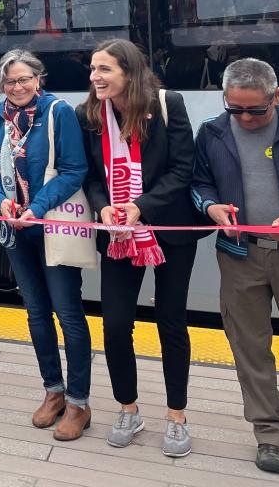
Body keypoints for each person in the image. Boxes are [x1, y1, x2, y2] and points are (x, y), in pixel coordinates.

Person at [193, 58, 279, 474]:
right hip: (240, 256)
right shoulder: (212, 132)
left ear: (277, 96)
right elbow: (199, 183)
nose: (245, 118)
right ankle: (270, 435)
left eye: (256, 109)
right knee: (251, 349)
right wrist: (212, 207)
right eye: (234, 108)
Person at [77, 39, 200, 458]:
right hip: (120, 235)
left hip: (169, 230)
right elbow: (91, 176)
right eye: (93, 69)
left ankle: (177, 416)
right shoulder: (89, 114)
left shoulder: (168, 105)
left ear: (129, 72)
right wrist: (104, 206)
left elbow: (184, 168)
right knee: (114, 325)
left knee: (171, 323)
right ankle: (129, 408)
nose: (95, 77)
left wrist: (141, 206)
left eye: (104, 69)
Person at [0, 50, 92, 441]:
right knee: (36, 313)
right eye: (10, 81)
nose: (18, 87)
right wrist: (1, 201)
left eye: (25, 79)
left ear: (38, 78)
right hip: (16, 229)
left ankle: (79, 402)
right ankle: (54, 392)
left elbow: (76, 169)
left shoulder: (58, 112)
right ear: (1, 85)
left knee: (68, 313)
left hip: (53, 226)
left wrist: (39, 206)